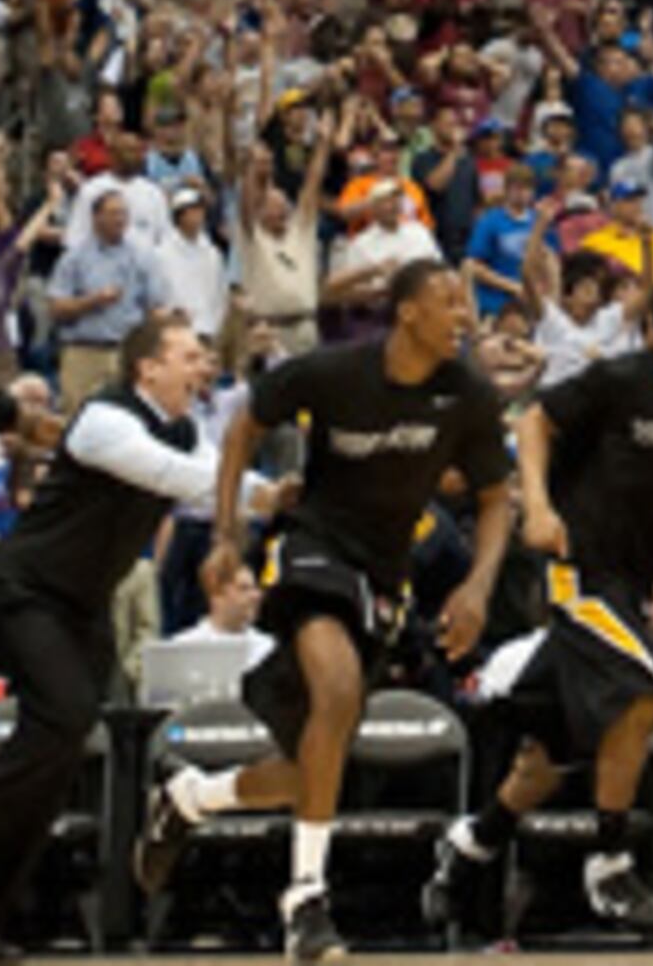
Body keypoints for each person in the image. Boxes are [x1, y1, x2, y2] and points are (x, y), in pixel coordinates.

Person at [139, 263, 516, 966]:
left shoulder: (466, 394)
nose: (464, 315)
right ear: (406, 313)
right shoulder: (334, 372)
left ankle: (191, 796)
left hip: (385, 576)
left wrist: (478, 587)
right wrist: (226, 532)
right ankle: (305, 899)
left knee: (317, 759)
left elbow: (497, 496)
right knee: (337, 693)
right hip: (313, 547)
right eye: (448, 302)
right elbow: (244, 426)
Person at [432, 275, 653, 934]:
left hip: (637, 579)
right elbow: (535, 420)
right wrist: (536, 507)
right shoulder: (620, 378)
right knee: (642, 697)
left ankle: (470, 843)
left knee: (553, 753)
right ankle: (611, 861)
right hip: (578, 568)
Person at [0, 316, 212, 932]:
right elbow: (181, 478)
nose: (204, 367)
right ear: (147, 367)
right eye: (190, 355)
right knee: (63, 714)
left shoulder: (186, 429)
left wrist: (266, 494)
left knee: (65, 748)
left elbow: (210, 479)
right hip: (21, 589)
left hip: (83, 609)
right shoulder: (106, 417)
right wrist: (259, 494)